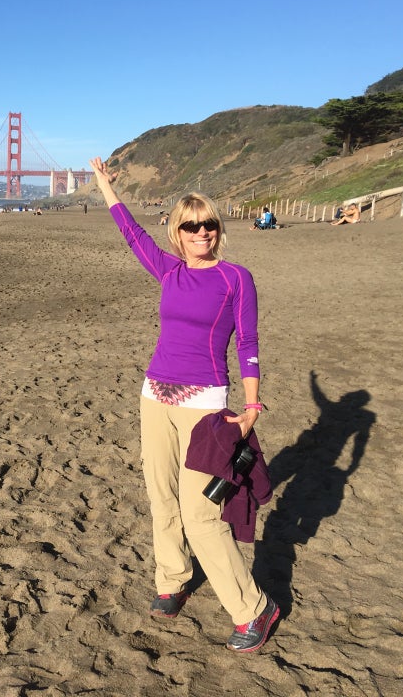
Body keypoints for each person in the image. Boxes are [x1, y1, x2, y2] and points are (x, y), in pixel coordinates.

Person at [88, 156, 279, 653]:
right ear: (177, 232)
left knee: (201, 514)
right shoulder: (168, 270)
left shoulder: (236, 278)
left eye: (209, 224)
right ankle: (172, 578)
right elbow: (131, 234)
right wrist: (107, 189)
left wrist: (252, 406)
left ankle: (255, 609)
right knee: (160, 496)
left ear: (218, 229)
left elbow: (249, 342)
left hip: (205, 407)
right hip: (155, 396)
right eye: (191, 225)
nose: (201, 232)